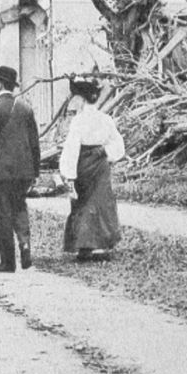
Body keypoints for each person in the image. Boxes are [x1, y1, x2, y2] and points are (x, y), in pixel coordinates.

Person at [0, 65, 41, 273]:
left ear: (1, 83)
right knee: (19, 208)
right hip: (23, 172)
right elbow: (34, 143)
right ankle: (25, 245)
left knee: (2, 214)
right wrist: (35, 171)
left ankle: (8, 262)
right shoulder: (26, 108)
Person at [60, 77, 125, 261]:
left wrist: (68, 174)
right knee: (101, 200)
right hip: (101, 163)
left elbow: (72, 148)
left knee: (84, 202)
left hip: (84, 163)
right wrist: (106, 153)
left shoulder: (79, 121)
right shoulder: (106, 119)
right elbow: (118, 144)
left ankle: (85, 247)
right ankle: (102, 246)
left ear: (81, 99)